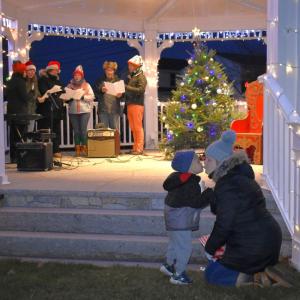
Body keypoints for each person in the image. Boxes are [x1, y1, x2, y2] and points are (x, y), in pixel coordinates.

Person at [203, 130, 284, 287]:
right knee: (212, 270)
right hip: (259, 241)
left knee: (212, 277)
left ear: (219, 162)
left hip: (254, 246)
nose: (204, 162)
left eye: (208, 159)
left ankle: (256, 278)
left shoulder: (228, 184)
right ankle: (262, 272)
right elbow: (227, 210)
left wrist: (210, 248)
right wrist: (213, 196)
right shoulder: (235, 179)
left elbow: (224, 223)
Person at [160, 150, 211, 285]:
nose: (200, 162)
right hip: (181, 220)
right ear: (187, 166)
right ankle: (178, 275)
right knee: (184, 247)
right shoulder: (190, 183)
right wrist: (209, 194)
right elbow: (196, 203)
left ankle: (169, 265)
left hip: (172, 218)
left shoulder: (177, 179)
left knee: (174, 243)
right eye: (196, 160)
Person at [37, 61, 64, 158]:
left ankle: (56, 149)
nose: (57, 72)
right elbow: (44, 91)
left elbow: (62, 90)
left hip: (56, 109)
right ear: (50, 70)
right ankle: (43, 149)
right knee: (45, 130)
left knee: (56, 130)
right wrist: (53, 92)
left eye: (57, 70)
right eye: (55, 70)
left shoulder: (57, 80)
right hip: (46, 109)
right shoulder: (42, 80)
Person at [66, 65, 95, 156]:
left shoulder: (87, 85)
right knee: (76, 130)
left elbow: (92, 96)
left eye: (78, 75)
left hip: (85, 111)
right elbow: (65, 98)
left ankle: (85, 148)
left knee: (83, 130)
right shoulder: (69, 85)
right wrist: (69, 97)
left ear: (82, 76)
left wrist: (83, 97)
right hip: (73, 111)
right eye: (75, 75)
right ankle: (77, 149)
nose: (76, 76)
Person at [5, 61, 30, 163]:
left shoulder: (10, 81)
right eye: (25, 71)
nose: (26, 73)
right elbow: (25, 97)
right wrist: (31, 95)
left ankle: (13, 157)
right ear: (21, 71)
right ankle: (20, 157)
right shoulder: (21, 82)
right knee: (21, 135)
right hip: (21, 113)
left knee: (13, 136)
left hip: (12, 112)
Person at [125, 55, 147, 155]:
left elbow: (141, 90)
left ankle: (139, 148)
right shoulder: (133, 77)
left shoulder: (141, 77)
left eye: (131, 65)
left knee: (137, 127)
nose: (129, 67)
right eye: (129, 65)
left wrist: (126, 87)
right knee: (133, 127)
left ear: (137, 66)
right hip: (130, 104)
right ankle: (135, 148)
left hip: (137, 104)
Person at [94, 61, 123, 130]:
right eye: (107, 70)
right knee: (103, 132)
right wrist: (101, 90)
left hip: (114, 110)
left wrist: (121, 95)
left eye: (111, 70)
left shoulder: (118, 81)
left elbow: (123, 95)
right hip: (103, 110)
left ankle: (116, 141)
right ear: (105, 70)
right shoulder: (100, 80)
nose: (109, 72)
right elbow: (95, 93)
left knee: (115, 131)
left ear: (114, 71)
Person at [25, 60, 41, 132]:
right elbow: (25, 93)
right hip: (25, 109)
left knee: (31, 129)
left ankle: (29, 142)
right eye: (30, 70)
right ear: (26, 71)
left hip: (33, 108)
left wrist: (39, 96)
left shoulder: (35, 81)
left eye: (33, 71)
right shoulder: (24, 81)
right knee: (25, 129)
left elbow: (37, 92)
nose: (32, 72)